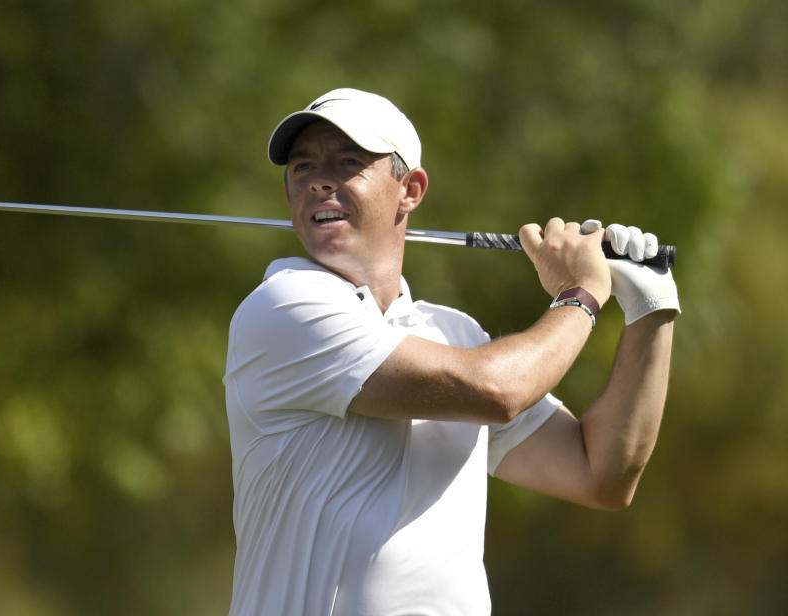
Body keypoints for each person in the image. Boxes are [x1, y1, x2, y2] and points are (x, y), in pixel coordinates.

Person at [223, 88, 680, 615]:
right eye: (303, 167)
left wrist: (651, 310)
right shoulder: (283, 308)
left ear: (410, 189)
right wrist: (580, 294)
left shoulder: (455, 333)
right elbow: (497, 390)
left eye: (349, 162)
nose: (320, 179)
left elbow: (599, 473)